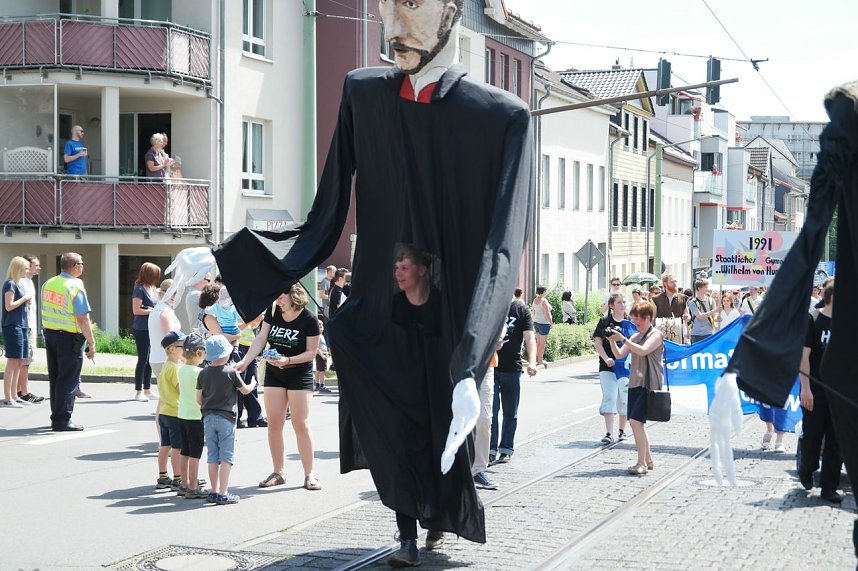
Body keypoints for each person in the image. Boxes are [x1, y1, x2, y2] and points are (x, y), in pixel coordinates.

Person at [214, 0, 532, 558]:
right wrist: (234, 259)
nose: (391, 27)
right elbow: (327, 211)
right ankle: (407, 525)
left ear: (453, 11)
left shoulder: (501, 116)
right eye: (384, 6)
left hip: (450, 319)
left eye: (409, 6)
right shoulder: (364, 94)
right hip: (383, 314)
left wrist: (474, 351)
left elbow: (502, 246)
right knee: (399, 420)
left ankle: (436, 516)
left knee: (440, 420)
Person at [235, 283, 322, 492]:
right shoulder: (273, 311)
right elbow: (262, 338)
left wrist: (288, 359)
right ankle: (278, 472)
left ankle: (309, 474)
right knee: (274, 423)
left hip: (299, 373)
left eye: (281, 296)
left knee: (301, 423)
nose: (278, 301)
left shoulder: (309, 319)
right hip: (275, 372)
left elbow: (311, 353)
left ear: (294, 295)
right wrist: (246, 361)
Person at [197, 335, 257, 505]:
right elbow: (245, 391)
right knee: (226, 457)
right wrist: (252, 383)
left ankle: (214, 491)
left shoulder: (203, 373)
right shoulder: (230, 372)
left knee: (212, 456)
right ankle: (224, 493)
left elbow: (198, 399)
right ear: (226, 354)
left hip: (208, 418)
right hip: (227, 418)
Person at [798, 282, 843, 502]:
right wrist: (805, 388)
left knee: (836, 441)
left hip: (839, 394)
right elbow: (804, 357)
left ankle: (829, 488)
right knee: (813, 437)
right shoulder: (813, 320)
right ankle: (806, 468)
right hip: (814, 390)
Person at [607, 302, 664, 475]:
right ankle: (648, 460)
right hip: (634, 383)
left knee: (635, 422)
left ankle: (642, 464)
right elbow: (619, 355)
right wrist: (611, 340)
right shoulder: (635, 336)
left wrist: (623, 339)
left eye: (638, 319)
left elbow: (643, 351)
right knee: (637, 423)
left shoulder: (656, 335)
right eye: (634, 318)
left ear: (648, 318)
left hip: (648, 384)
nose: (635, 322)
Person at [40, 252, 95, 431]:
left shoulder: (48, 283)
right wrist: (91, 341)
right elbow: (82, 317)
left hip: (51, 335)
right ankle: (62, 420)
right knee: (68, 380)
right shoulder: (75, 285)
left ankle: (56, 416)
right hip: (70, 338)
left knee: (56, 377)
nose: (82, 266)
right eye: (81, 263)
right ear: (74, 266)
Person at [491, 288, 538, 464]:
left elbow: (530, 338)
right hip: (491, 368)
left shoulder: (520, 309)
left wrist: (532, 362)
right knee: (491, 412)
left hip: (512, 368)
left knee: (510, 412)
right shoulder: (492, 307)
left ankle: (506, 448)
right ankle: (490, 449)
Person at [592, 293, 629, 444]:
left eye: (624, 302)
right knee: (610, 396)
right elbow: (598, 342)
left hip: (625, 368)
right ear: (612, 305)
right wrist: (605, 358)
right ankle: (609, 432)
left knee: (624, 399)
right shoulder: (604, 321)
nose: (623, 305)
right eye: (619, 302)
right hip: (607, 366)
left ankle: (622, 430)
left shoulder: (629, 323)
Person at [177, 333, 209, 500]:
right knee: (195, 453)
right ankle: (193, 486)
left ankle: (183, 483)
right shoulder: (200, 372)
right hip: (197, 416)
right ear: (198, 353)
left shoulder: (181, 370)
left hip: (182, 414)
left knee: (185, 451)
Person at [155, 331, 186, 493]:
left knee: (164, 446)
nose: (185, 349)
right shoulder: (175, 369)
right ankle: (178, 477)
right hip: (175, 412)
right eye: (182, 346)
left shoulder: (165, 366)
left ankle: (163, 475)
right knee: (177, 448)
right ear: (171, 349)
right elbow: (181, 390)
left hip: (164, 411)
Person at [2, 257, 32, 408]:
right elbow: (9, 306)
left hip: (22, 325)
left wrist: (26, 300)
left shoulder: (19, 283)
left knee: (20, 361)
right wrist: (24, 298)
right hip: (13, 326)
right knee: (13, 361)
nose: (27, 271)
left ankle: (15, 395)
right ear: (18, 268)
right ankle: (8, 398)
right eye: (26, 268)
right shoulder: (10, 284)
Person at [17, 254, 44, 404]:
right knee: (24, 361)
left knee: (25, 360)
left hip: (30, 325)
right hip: (26, 326)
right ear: (27, 266)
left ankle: (19, 391)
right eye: (36, 265)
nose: (39, 268)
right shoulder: (21, 282)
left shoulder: (29, 282)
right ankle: (24, 393)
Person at [131, 262, 161, 402]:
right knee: (143, 358)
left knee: (150, 358)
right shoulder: (139, 289)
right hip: (141, 328)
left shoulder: (153, 288)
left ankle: (147, 389)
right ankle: (138, 390)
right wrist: (151, 311)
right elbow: (136, 310)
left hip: (152, 327)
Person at [148, 279, 181, 383]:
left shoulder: (157, 309)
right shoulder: (165, 311)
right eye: (172, 293)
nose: (174, 296)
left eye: (177, 293)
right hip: (166, 359)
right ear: (162, 293)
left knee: (165, 396)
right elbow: (170, 338)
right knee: (172, 396)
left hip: (157, 358)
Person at [652, 273, 686, 343]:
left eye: (675, 281)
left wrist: (687, 317)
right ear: (665, 284)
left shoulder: (683, 298)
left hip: (678, 335)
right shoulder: (656, 299)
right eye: (672, 282)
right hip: (661, 334)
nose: (675, 283)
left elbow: (688, 315)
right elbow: (653, 318)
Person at [687, 278, 718, 343]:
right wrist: (715, 310)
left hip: (709, 333)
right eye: (705, 287)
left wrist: (718, 318)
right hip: (696, 334)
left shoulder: (711, 301)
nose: (707, 289)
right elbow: (700, 316)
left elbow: (714, 317)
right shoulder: (692, 302)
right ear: (699, 288)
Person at [531, 286, 553, 368]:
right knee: (542, 344)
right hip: (544, 323)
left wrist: (536, 318)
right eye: (545, 291)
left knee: (538, 342)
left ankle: (537, 359)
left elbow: (533, 311)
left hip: (536, 322)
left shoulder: (535, 300)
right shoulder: (544, 301)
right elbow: (547, 314)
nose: (546, 293)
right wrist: (551, 323)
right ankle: (540, 361)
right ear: (543, 292)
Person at [314, 319, 332, 393]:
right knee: (322, 371)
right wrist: (322, 355)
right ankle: (322, 385)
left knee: (319, 370)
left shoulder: (321, 335)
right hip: (321, 355)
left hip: (323, 354)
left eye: (322, 325)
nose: (321, 327)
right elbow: (316, 347)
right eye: (319, 325)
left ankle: (317, 384)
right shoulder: (317, 335)